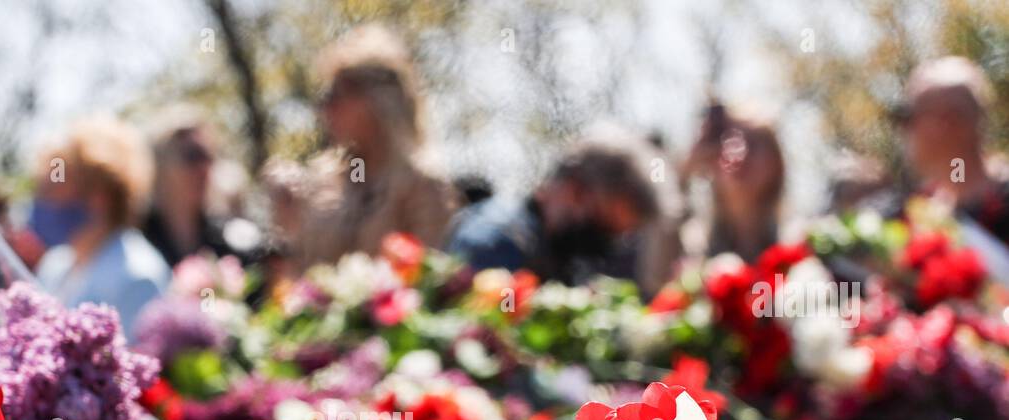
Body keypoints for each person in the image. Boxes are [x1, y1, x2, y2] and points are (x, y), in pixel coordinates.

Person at [292, 25, 458, 270]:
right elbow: (304, 277)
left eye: (337, 94)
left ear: (377, 102)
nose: (324, 108)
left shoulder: (422, 185)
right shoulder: (324, 185)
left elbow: (430, 281)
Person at [449, 132, 678, 295]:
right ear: (575, 191)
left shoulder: (555, 256)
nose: (603, 246)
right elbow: (485, 326)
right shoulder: (497, 242)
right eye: (603, 228)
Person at [31, 116, 170, 341]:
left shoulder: (138, 276)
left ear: (99, 195)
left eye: (53, 187)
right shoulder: (55, 264)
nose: (41, 199)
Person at [896, 56, 1009, 244]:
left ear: (948, 122)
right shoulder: (922, 211)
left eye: (909, 116)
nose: (904, 129)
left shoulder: (1002, 201)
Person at [142, 108, 257, 266]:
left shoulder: (228, 242)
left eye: (208, 156)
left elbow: (208, 292)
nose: (204, 168)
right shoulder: (138, 242)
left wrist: (206, 291)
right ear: (160, 165)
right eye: (193, 156)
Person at [681, 103, 785, 263]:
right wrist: (684, 172)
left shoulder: (799, 246)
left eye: (753, 142)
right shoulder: (693, 247)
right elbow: (653, 275)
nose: (738, 152)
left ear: (776, 161)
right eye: (727, 140)